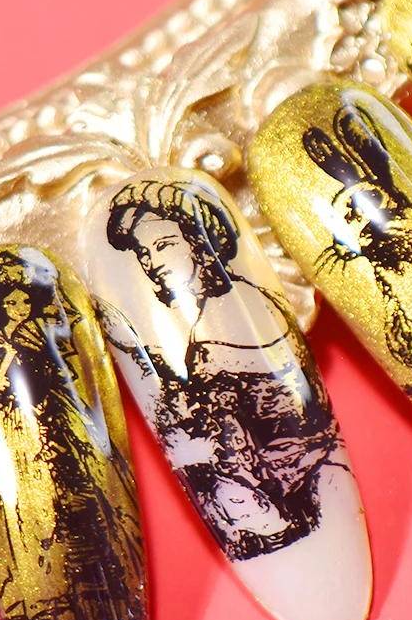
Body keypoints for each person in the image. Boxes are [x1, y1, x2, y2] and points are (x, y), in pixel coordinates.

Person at [106, 179, 335, 560]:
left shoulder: (235, 307)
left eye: (164, 245)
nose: (151, 263)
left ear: (198, 243)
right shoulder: (208, 316)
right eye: (142, 253)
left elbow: (265, 420)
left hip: (291, 475)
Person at [0, 260, 144, 620]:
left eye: (24, 301)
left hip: (59, 415)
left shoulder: (42, 332)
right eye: (10, 303)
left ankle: (105, 598)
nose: (19, 308)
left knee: (86, 497)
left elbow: (64, 372)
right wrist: (8, 356)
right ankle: (53, 605)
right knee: (33, 515)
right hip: (15, 426)